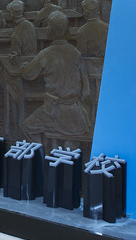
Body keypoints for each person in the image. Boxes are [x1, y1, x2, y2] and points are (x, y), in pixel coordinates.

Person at [20, 11, 91, 146]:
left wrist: (24, 67)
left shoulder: (46, 54)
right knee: (71, 144)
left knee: (27, 127)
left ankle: (39, 154)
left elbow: (28, 75)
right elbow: (86, 91)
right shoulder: (75, 53)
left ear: (50, 31)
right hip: (76, 114)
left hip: (53, 112)